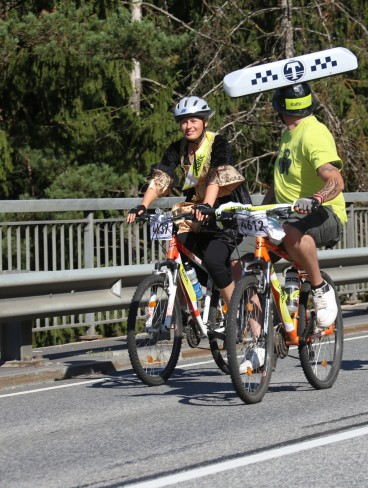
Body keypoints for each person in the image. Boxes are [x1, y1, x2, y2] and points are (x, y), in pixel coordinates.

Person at [126, 96, 251, 308]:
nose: (188, 126)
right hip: (197, 209)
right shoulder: (178, 148)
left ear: (205, 122)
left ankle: (235, 315)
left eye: (194, 121)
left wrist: (208, 205)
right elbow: (161, 177)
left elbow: (217, 175)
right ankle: (187, 311)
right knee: (179, 244)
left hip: (224, 211)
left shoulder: (218, 143)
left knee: (214, 260)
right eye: (184, 122)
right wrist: (142, 206)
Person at [262, 82, 345, 345]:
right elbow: (280, 185)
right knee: (239, 255)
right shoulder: (289, 133)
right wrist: (259, 212)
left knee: (292, 231)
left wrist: (316, 198)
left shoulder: (313, 133)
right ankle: (260, 336)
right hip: (287, 214)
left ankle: (320, 289)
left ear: (279, 108)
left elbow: (336, 180)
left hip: (325, 213)